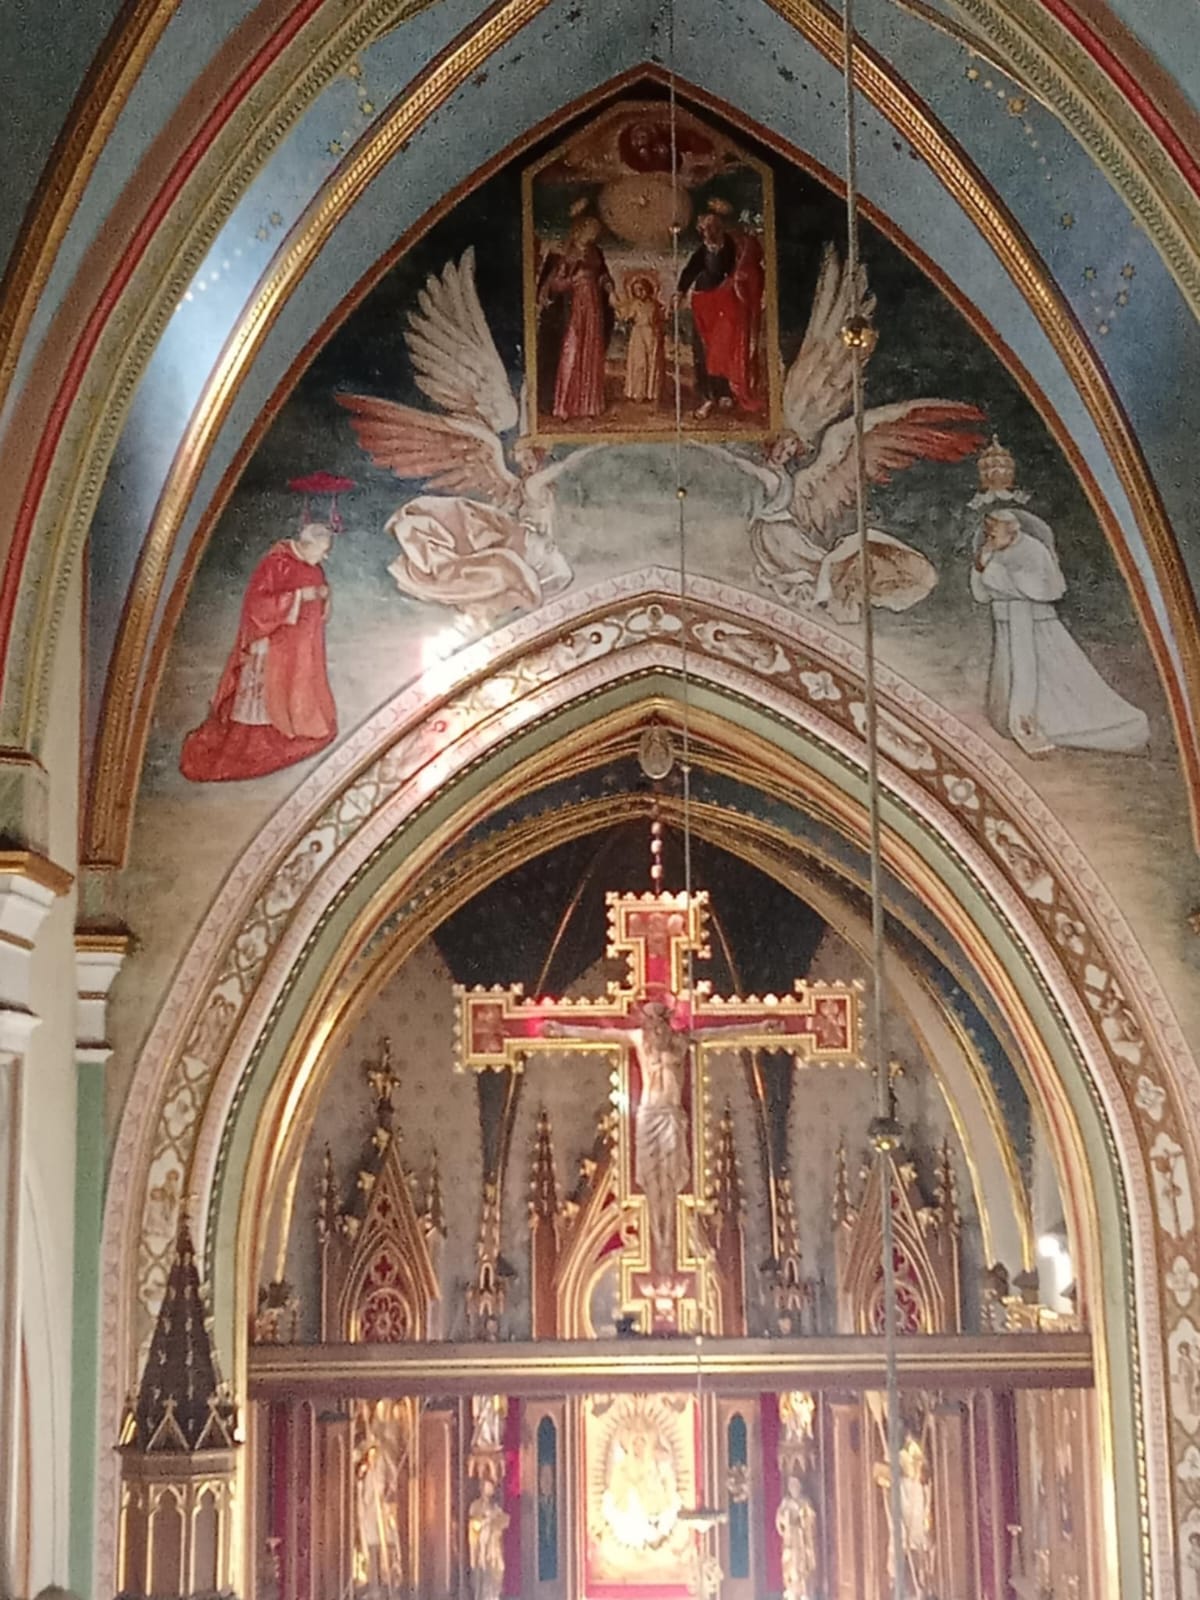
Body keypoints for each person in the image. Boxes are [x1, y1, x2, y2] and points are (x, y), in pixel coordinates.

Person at [543, 997, 782, 1274]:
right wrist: (563, 1030)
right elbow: (600, 1034)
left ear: (668, 1021)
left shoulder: (682, 1041)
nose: (656, 1029)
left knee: (669, 1181)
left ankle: (667, 1239)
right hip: (649, 1115)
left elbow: (721, 1033)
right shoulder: (637, 1039)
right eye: (651, 1022)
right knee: (650, 1180)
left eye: (661, 1021)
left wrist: (759, 1027)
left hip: (671, 1116)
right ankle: (659, 1235)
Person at [970, 507, 1149, 756]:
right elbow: (982, 593)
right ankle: (1017, 722)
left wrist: (990, 571)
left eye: (993, 534)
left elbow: (1038, 587)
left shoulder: (1033, 550)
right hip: (1008, 625)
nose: (989, 539)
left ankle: (1067, 726)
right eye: (988, 533)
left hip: (1037, 628)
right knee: (1011, 677)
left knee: (1060, 680)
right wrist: (981, 566)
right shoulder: (992, 550)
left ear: (1012, 532)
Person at [180, 520, 337, 781]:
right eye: (322, 550)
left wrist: (324, 596)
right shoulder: (276, 563)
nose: (325, 557)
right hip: (270, 647)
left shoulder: (313, 568)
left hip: (296, 650)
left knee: (290, 691)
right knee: (263, 693)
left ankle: (284, 731)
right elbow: (257, 605)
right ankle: (248, 743)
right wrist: (299, 596)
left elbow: (318, 609)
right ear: (307, 545)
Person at [675, 200, 764, 418]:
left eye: (713, 227)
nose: (709, 232)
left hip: (727, 304)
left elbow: (748, 267)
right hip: (704, 304)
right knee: (704, 351)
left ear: (721, 227)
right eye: (705, 229)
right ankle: (708, 396)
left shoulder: (736, 247)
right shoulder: (703, 251)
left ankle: (726, 392)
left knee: (724, 348)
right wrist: (679, 292)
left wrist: (739, 280)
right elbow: (690, 271)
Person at [537, 209, 615, 421]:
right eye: (591, 228)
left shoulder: (595, 253)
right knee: (570, 352)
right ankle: (564, 405)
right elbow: (553, 285)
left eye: (596, 230)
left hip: (593, 309)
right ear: (581, 228)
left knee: (589, 354)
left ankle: (587, 406)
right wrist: (574, 280)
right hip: (570, 311)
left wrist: (609, 288)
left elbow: (603, 275)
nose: (594, 233)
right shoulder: (563, 252)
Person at [613, 273, 667, 403]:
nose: (640, 292)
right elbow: (625, 316)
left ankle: (651, 392)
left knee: (652, 362)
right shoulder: (635, 304)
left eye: (642, 289)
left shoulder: (654, 304)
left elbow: (661, 318)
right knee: (639, 363)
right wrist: (618, 307)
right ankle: (637, 392)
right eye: (637, 290)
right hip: (638, 335)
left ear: (648, 289)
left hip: (652, 335)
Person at [776, 1476, 818, 1600]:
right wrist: (785, 1521)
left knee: (801, 1564)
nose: (794, 1488)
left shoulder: (804, 1502)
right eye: (791, 1486)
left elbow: (811, 1518)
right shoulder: (786, 1502)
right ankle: (791, 1589)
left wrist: (802, 1519)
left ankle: (804, 1590)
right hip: (790, 1539)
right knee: (790, 1563)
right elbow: (779, 1519)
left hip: (801, 1539)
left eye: (796, 1485)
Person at [467, 1479, 510, 1600]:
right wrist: (486, 1520)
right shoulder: (475, 1505)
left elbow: (504, 1521)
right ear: (482, 1488)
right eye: (488, 1486)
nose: (491, 1489)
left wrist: (497, 1520)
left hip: (494, 1546)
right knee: (484, 1573)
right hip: (482, 1547)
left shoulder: (495, 1507)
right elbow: (474, 1526)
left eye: (491, 1487)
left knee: (499, 1569)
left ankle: (494, 1596)